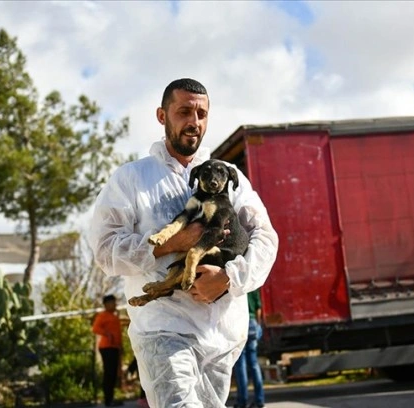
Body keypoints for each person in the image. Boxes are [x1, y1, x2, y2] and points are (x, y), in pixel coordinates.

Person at [89, 78, 279, 408]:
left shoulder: (230, 176)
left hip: (222, 338)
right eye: (184, 111)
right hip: (163, 330)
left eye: (202, 113)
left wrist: (229, 278)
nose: (194, 121)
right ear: (163, 116)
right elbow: (105, 250)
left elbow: (265, 238)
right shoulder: (132, 179)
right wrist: (170, 243)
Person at [232, 289, 265, 408]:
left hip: (239, 323)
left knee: (240, 365)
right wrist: (258, 325)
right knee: (254, 364)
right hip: (252, 323)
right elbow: (258, 308)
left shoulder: (236, 284)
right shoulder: (253, 285)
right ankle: (259, 400)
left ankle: (242, 401)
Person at [92, 294, 124, 407]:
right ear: (106, 304)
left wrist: (121, 346)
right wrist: (107, 334)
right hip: (107, 347)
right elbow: (95, 328)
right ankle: (108, 401)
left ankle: (111, 399)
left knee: (113, 374)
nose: (115, 304)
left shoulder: (114, 316)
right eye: (112, 302)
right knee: (109, 374)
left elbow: (118, 334)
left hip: (115, 348)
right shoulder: (102, 315)